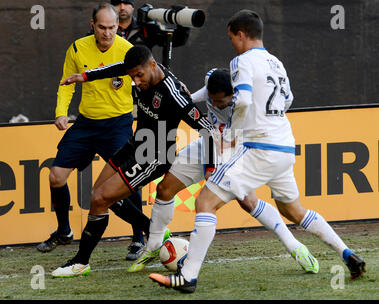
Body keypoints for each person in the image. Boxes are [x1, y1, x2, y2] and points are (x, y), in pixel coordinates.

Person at [149, 10, 366, 293]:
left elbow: (243, 101)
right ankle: (346, 253)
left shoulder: (241, 61)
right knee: (294, 210)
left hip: (259, 146)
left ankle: (187, 276)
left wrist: (233, 134)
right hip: (284, 145)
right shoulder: (276, 63)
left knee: (205, 203)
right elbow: (288, 100)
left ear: (241, 34)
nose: (231, 44)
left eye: (231, 38)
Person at [128, 68, 319, 274]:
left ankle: (295, 247)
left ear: (233, 96)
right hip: (206, 144)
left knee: (248, 202)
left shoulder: (245, 107)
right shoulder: (212, 78)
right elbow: (205, 95)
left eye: (220, 101)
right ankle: (153, 246)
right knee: (165, 189)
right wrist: (187, 97)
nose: (215, 103)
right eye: (214, 99)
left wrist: (213, 166)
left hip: (231, 150)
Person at [51, 45, 215, 278]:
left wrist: (210, 167)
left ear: (152, 65)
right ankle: (154, 232)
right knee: (99, 194)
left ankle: (81, 262)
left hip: (154, 155)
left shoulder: (173, 93)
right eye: (132, 76)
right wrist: (85, 76)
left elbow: (207, 129)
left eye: (139, 75)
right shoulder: (141, 71)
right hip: (136, 144)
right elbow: (120, 67)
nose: (136, 81)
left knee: (100, 198)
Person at [36, 3, 151, 261]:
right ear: (92, 25)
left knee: (127, 180)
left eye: (112, 27)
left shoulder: (128, 50)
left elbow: (145, 80)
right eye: (102, 27)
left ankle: (138, 238)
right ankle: (64, 231)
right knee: (56, 176)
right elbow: (66, 84)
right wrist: (61, 112)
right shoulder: (77, 48)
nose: (108, 33)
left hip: (117, 124)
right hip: (87, 124)